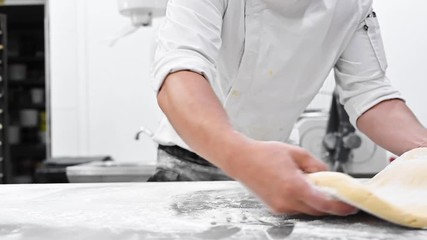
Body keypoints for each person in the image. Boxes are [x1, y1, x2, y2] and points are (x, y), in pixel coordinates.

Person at [147, 0, 427, 216]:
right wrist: (241, 156)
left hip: (276, 171)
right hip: (189, 165)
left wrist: (422, 152)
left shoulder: (350, 5)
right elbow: (180, 70)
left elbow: (370, 92)